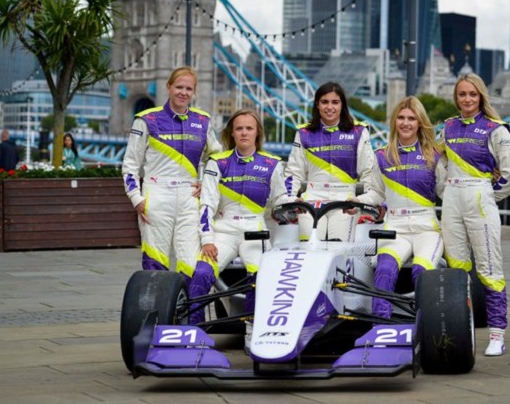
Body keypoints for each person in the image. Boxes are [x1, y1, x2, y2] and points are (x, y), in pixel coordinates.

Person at [187, 110, 285, 352]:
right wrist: (207, 239)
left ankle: (253, 333)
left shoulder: (273, 164)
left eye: (249, 128)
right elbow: (207, 204)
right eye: (239, 128)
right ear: (232, 133)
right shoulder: (217, 162)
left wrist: (289, 208)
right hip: (224, 231)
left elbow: (280, 200)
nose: (244, 133)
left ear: (257, 133)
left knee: (261, 277)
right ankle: (194, 333)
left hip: (255, 230)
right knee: (201, 273)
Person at [439, 73, 510, 357]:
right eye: (462, 94)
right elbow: (439, 163)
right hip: (451, 200)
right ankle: (462, 328)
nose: (467, 99)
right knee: (456, 268)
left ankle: (497, 335)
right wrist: (445, 191)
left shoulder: (496, 129)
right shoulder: (448, 127)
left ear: (481, 96)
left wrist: (486, 195)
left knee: (489, 269)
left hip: (480, 198)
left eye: (473, 94)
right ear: (456, 97)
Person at [122, 66, 222, 281]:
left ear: (194, 92)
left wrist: (206, 183)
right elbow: (130, 163)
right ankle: (157, 303)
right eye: (179, 87)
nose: (183, 92)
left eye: (189, 88)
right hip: (156, 195)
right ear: (168, 87)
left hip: (189, 197)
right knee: (155, 262)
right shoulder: (146, 119)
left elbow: (217, 158)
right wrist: (136, 198)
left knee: (191, 263)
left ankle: (186, 303)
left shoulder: (203, 121)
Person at [371, 96, 447, 319]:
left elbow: (447, 192)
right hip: (395, 228)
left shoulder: (434, 155)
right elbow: (375, 193)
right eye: (401, 118)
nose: (405, 123)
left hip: (427, 230)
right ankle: (380, 323)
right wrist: (358, 204)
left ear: (420, 123)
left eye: (411, 118)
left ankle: (426, 324)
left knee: (420, 272)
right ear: (394, 121)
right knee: (384, 270)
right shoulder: (381, 156)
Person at [280, 81, 383, 241]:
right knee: (309, 248)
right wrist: (291, 199)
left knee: (339, 249)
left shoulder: (358, 131)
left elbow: (369, 172)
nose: (329, 107)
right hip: (311, 200)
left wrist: (362, 201)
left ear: (342, 105)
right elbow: (294, 172)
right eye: (324, 102)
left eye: (335, 102)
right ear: (317, 105)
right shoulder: (304, 133)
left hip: (346, 200)